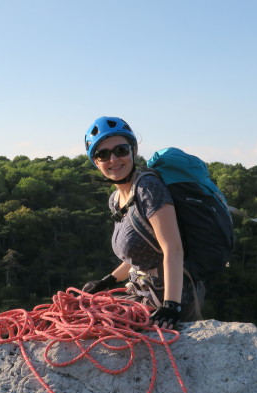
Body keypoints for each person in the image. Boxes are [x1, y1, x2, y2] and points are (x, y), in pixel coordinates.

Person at [81, 116, 204, 329]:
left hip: (164, 298)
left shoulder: (148, 188)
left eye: (120, 150)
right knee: (82, 313)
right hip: (140, 292)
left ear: (133, 151)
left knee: (95, 328)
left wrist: (171, 306)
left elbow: (173, 248)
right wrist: (107, 281)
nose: (113, 159)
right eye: (103, 154)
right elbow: (140, 251)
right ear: (96, 162)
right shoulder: (116, 200)